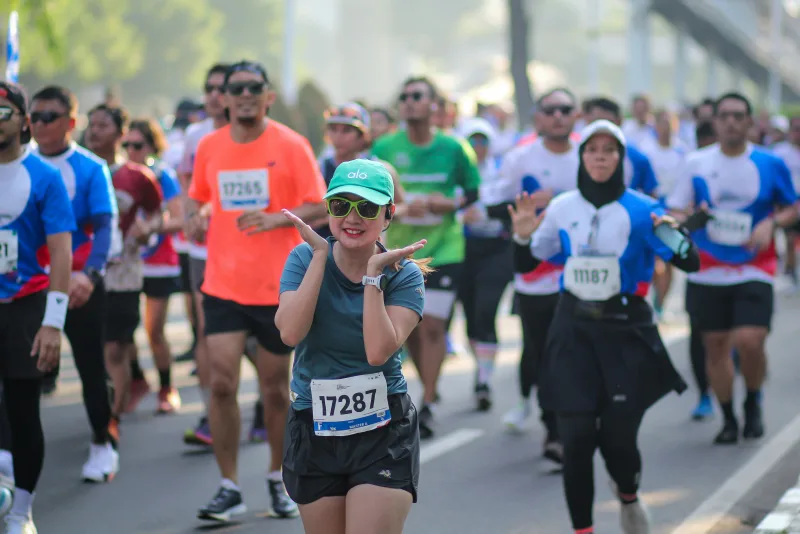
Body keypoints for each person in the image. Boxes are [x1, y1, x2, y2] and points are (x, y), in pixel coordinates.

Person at [511, 120, 698, 534]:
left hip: (625, 333)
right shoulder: (562, 206)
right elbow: (526, 263)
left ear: (620, 158)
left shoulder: (643, 209)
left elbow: (690, 262)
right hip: (573, 331)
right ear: (582, 157)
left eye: (609, 150)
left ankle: (629, 495)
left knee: (618, 445)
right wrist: (522, 237)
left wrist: (676, 236)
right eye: (591, 149)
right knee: (575, 442)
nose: (600, 156)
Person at [187, 60, 326, 521]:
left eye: (254, 87)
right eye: (235, 88)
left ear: (267, 96)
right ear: (222, 98)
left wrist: (275, 218)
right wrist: (194, 213)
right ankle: (228, 486)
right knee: (222, 382)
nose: (244, 95)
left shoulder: (291, 144)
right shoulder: (209, 145)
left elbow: (321, 204)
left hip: (276, 287)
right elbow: (201, 196)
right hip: (223, 284)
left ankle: (277, 476)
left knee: (274, 390)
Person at [277, 158, 426, 534]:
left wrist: (372, 277)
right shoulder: (304, 258)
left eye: (368, 207)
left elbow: (378, 352)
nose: (353, 217)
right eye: (341, 205)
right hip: (314, 424)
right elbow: (290, 334)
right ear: (328, 209)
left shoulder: (404, 275)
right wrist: (320, 258)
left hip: (383, 431)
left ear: (388, 215)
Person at [666, 92, 799, 444]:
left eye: (738, 115)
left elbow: (792, 206)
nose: (730, 122)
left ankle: (753, 399)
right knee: (716, 345)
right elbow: (675, 210)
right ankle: (728, 417)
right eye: (724, 116)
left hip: (754, 265)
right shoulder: (695, 163)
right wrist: (692, 219)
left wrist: (772, 223)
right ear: (716, 122)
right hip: (706, 269)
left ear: (749, 122)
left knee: (750, 340)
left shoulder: (770, 163)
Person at [372, 76, 481, 439]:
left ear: (434, 104)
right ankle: (424, 387)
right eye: (403, 97)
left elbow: (472, 192)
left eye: (417, 96)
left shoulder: (454, 147)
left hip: (445, 249)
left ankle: (429, 401)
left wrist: (446, 204)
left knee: (433, 325)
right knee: (410, 330)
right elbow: (374, 193)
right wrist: (400, 209)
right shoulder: (386, 146)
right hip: (400, 251)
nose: (408, 102)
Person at [30, 85, 120, 482]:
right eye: (33, 116)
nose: (38, 124)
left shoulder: (89, 167)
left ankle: (103, 441)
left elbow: (104, 227)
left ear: (69, 122)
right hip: (31, 285)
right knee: (20, 368)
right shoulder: (21, 166)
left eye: (48, 117)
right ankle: (12, 453)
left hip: (82, 284)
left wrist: (91, 274)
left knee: (88, 367)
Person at [0, 81, 75, 534]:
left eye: (1, 111)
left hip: (27, 307)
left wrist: (53, 323)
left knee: (24, 411)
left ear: (23, 121)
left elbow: (62, 256)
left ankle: (21, 509)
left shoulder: (44, 177)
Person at [497, 88, 580, 467]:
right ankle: (554, 430)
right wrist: (529, 209)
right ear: (538, 117)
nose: (559, 116)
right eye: (551, 110)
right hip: (535, 278)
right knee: (544, 353)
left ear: (575, 115)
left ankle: (576, 423)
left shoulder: (590, 155)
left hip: (582, 274)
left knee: (576, 352)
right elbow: (493, 204)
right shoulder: (520, 159)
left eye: (566, 109)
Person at [84, 104, 164, 427]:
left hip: (124, 275)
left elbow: (159, 213)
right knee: (97, 351)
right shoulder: (79, 170)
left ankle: (110, 422)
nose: (94, 130)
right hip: (86, 272)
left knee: (115, 347)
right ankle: (109, 404)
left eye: (102, 125)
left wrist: (148, 228)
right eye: (91, 124)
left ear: (120, 133)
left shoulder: (137, 177)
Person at [124, 118, 183, 414]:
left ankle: (166, 387)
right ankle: (136, 380)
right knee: (123, 330)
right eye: (127, 145)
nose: (131, 151)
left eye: (138, 145)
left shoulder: (164, 175)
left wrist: (152, 228)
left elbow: (179, 218)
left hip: (159, 262)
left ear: (152, 146)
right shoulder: (119, 175)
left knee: (153, 330)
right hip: (127, 262)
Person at [456, 117, 511, 411]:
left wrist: (489, 214)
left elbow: (514, 204)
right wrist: (458, 217)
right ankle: (481, 367)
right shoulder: (455, 174)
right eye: (472, 141)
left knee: (486, 310)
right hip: (463, 251)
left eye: (483, 141)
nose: (478, 147)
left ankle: (484, 381)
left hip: (497, 250)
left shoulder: (503, 173)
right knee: (471, 316)